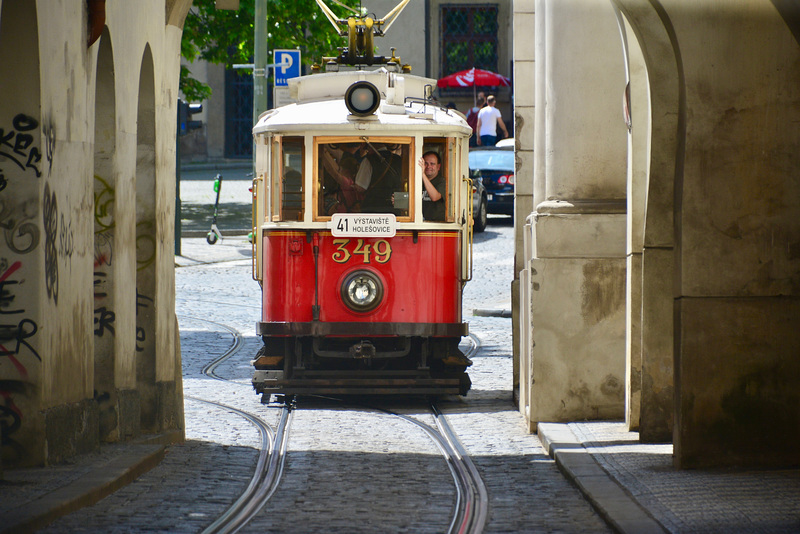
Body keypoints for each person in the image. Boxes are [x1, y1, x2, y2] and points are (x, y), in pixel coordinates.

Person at [420, 150, 446, 221]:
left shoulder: (442, 181)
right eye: (425, 163)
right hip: (420, 223)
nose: (428, 166)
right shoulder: (418, 181)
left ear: (438, 166)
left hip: (437, 225)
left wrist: (422, 174)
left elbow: (435, 197)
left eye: (432, 164)